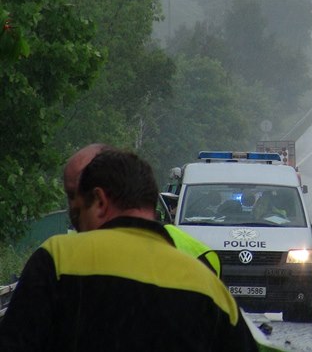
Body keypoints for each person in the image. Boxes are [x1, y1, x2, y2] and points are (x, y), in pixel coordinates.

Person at [0, 149, 257, 351]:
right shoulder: (208, 286)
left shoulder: (58, 258)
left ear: (100, 201)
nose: (77, 222)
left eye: (78, 207)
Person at [63, 144, 221, 277]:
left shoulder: (57, 259)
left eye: (74, 194)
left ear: (100, 200)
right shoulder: (198, 256)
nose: (73, 205)